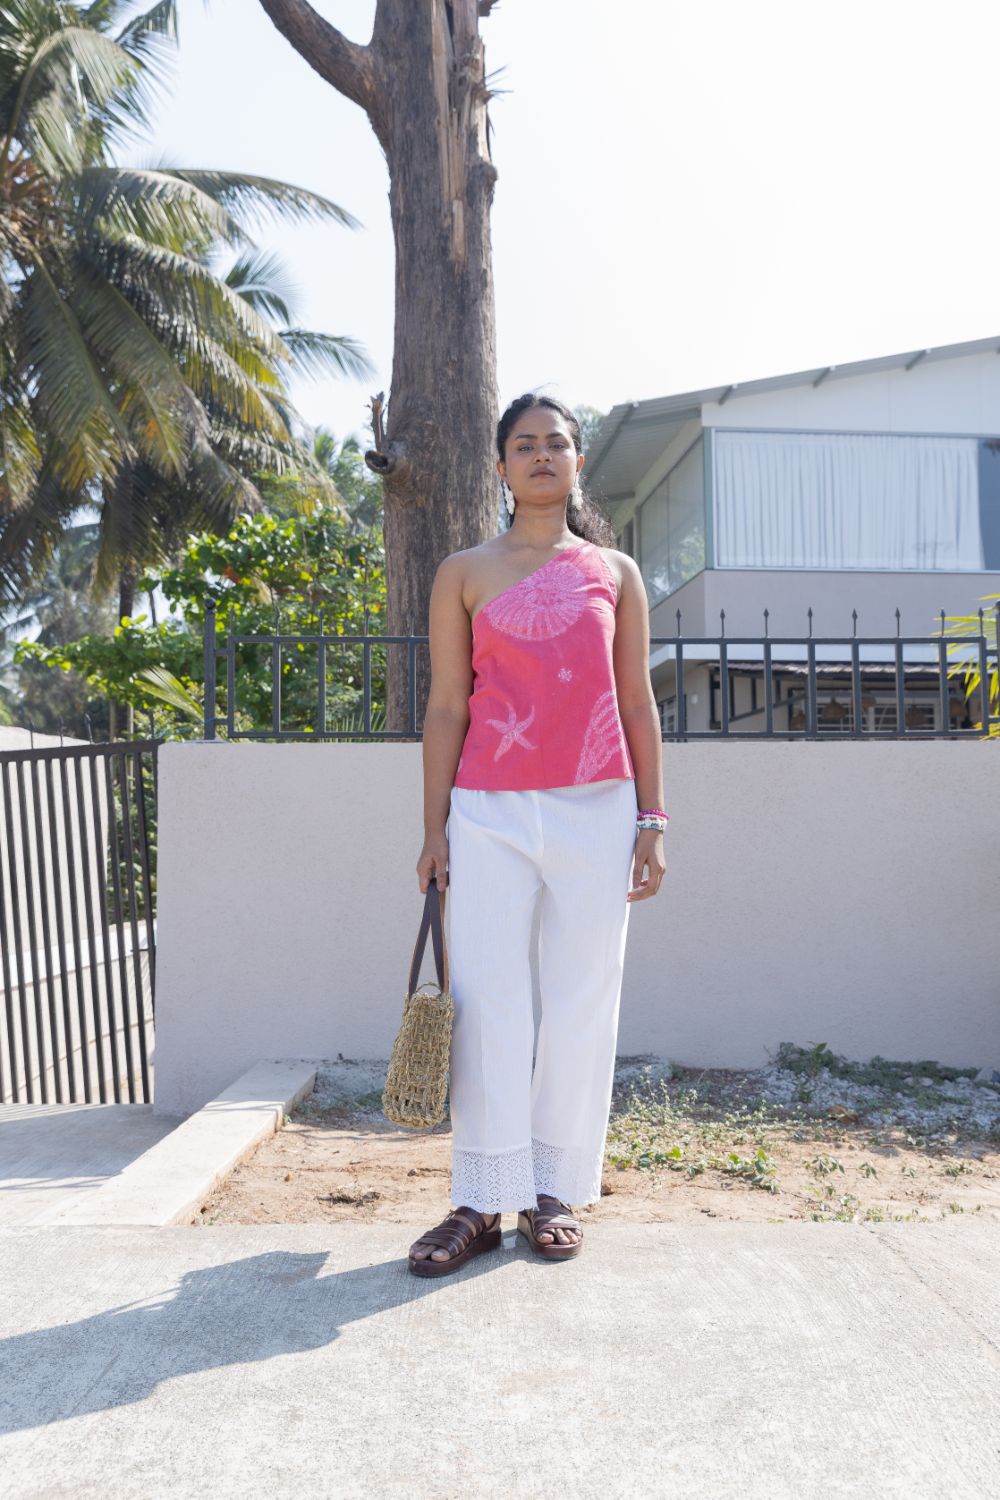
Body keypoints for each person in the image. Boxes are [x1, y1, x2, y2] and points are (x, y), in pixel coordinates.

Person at [409, 393, 666, 1277]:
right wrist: (435, 825)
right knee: (489, 1001)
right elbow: (447, 704)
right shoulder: (464, 571)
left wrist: (652, 819)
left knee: (582, 997)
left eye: (558, 442)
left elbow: (636, 701)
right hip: (487, 811)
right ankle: (481, 1200)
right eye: (525, 445)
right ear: (501, 466)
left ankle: (554, 1190)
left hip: (599, 806)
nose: (543, 455)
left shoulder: (615, 572)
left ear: (578, 461)